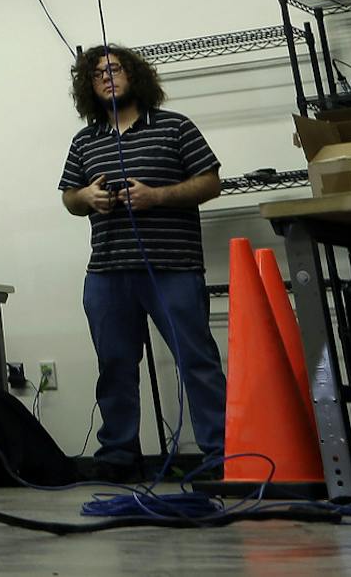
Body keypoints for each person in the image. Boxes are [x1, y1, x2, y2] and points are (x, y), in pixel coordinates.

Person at [58, 44, 226, 481]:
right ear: (88, 87)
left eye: (114, 69)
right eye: (97, 75)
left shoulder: (175, 127)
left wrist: (158, 196)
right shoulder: (85, 141)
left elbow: (210, 183)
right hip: (108, 271)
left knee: (197, 362)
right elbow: (69, 198)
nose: (107, 78)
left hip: (172, 267)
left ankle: (221, 454)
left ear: (135, 75)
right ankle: (119, 455)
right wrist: (86, 198)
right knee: (113, 366)